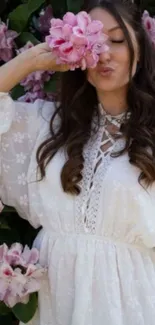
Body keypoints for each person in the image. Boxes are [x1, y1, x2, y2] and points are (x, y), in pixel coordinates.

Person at [0, 0, 155, 324]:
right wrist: (29, 61)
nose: (105, 53)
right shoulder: (47, 128)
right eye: (93, 43)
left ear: (139, 48)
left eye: (117, 40)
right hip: (56, 300)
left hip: (129, 303)